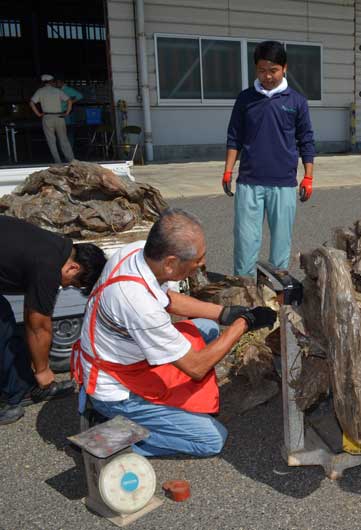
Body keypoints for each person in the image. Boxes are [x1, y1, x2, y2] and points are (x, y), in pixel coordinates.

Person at [72, 209, 277, 457]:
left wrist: (225, 313)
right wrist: (244, 323)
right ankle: (109, 433)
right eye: (198, 259)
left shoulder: (138, 252)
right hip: (115, 388)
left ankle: (151, 415)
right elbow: (196, 367)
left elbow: (168, 299)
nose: (202, 264)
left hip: (127, 354)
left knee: (209, 327)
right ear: (170, 263)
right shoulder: (138, 303)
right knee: (212, 440)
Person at [0, 216, 106, 425]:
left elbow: (32, 312)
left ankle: (21, 389)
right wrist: (43, 369)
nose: (67, 287)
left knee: (6, 325)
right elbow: (38, 325)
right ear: (73, 268)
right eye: (75, 284)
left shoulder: (56, 247)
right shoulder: (47, 267)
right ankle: (10, 397)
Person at [224, 40, 316, 276]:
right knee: (245, 242)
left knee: (281, 244)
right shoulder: (246, 99)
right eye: (262, 70)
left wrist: (308, 177)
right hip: (249, 181)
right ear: (256, 69)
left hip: (283, 183)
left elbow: (306, 140)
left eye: (273, 70)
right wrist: (228, 171)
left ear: (284, 68)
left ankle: (275, 293)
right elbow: (234, 136)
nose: (267, 76)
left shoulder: (296, 101)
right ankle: (243, 290)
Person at [29, 74, 75, 163]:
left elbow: (31, 103)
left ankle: (58, 161)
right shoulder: (57, 91)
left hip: (47, 117)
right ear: (51, 82)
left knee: (51, 141)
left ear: (43, 82)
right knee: (64, 139)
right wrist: (67, 112)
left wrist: (38, 114)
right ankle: (72, 161)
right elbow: (69, 100)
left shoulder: (40, 91)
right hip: (59, 117)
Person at [54, 77, 83, 148]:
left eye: (57, 83)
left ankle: (69, 151)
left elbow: (80, 96)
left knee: (68, 133)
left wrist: (70, 102)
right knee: (62, 134)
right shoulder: (58, 90)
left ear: (61, 82)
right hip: (61, 114)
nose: (55, 84)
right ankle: (65, 151)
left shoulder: (67, 89)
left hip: (67, 114)